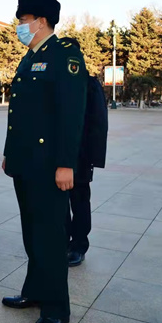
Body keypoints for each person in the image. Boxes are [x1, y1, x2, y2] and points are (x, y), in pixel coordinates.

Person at [1, 0, 87, 323]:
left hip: (50, 165)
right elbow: (19, 114)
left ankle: (56, 309)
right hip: (25, 163)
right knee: (32, 232)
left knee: (50, 238)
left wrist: (66, 164)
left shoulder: (65, 55)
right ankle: (34, 291)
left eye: (23, 21)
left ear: (41, 21)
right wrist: (9, 152)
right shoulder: (30, 57)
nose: (19, 27)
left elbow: (71, 115)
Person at [61, 37, 108, 267]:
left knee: (79, 201)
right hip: (54, 155)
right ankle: (61, 241)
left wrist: (92, 158)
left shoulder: (89, 84)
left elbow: (98, 123)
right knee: (58, 203)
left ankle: (79, 245)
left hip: (80, 156)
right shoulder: (54, 83)